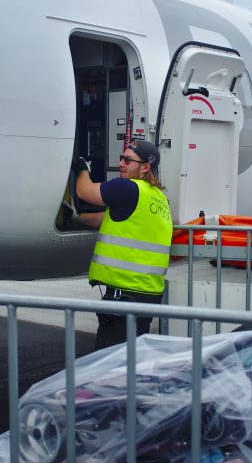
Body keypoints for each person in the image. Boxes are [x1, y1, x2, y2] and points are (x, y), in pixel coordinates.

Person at [72, 140, 173, 349]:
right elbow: (106, 218)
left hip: (127, 295)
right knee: (131, 358)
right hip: (147, 293)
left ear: (145, 167)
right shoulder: (158, 197)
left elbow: (84, 191)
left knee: (112, 361)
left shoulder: (127, 188)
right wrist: (76, 218)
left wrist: (82, 168)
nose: (121, 163)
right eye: (121, 158)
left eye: (128, 160)